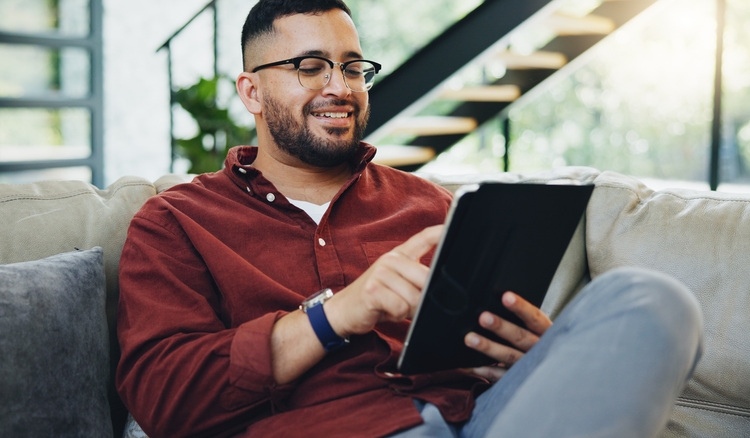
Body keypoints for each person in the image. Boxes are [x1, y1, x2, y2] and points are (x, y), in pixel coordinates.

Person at [116, 1, 703, 437]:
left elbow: (489, 351)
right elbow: (164, 398)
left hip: (481, 419)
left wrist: (528, 359)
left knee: (650, 298)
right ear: (251, 92)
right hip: (334, 428)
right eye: (311, 66)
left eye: (351, 67)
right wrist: (335, 315)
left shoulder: (431, 206)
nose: (338, 87)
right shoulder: (175, 222)